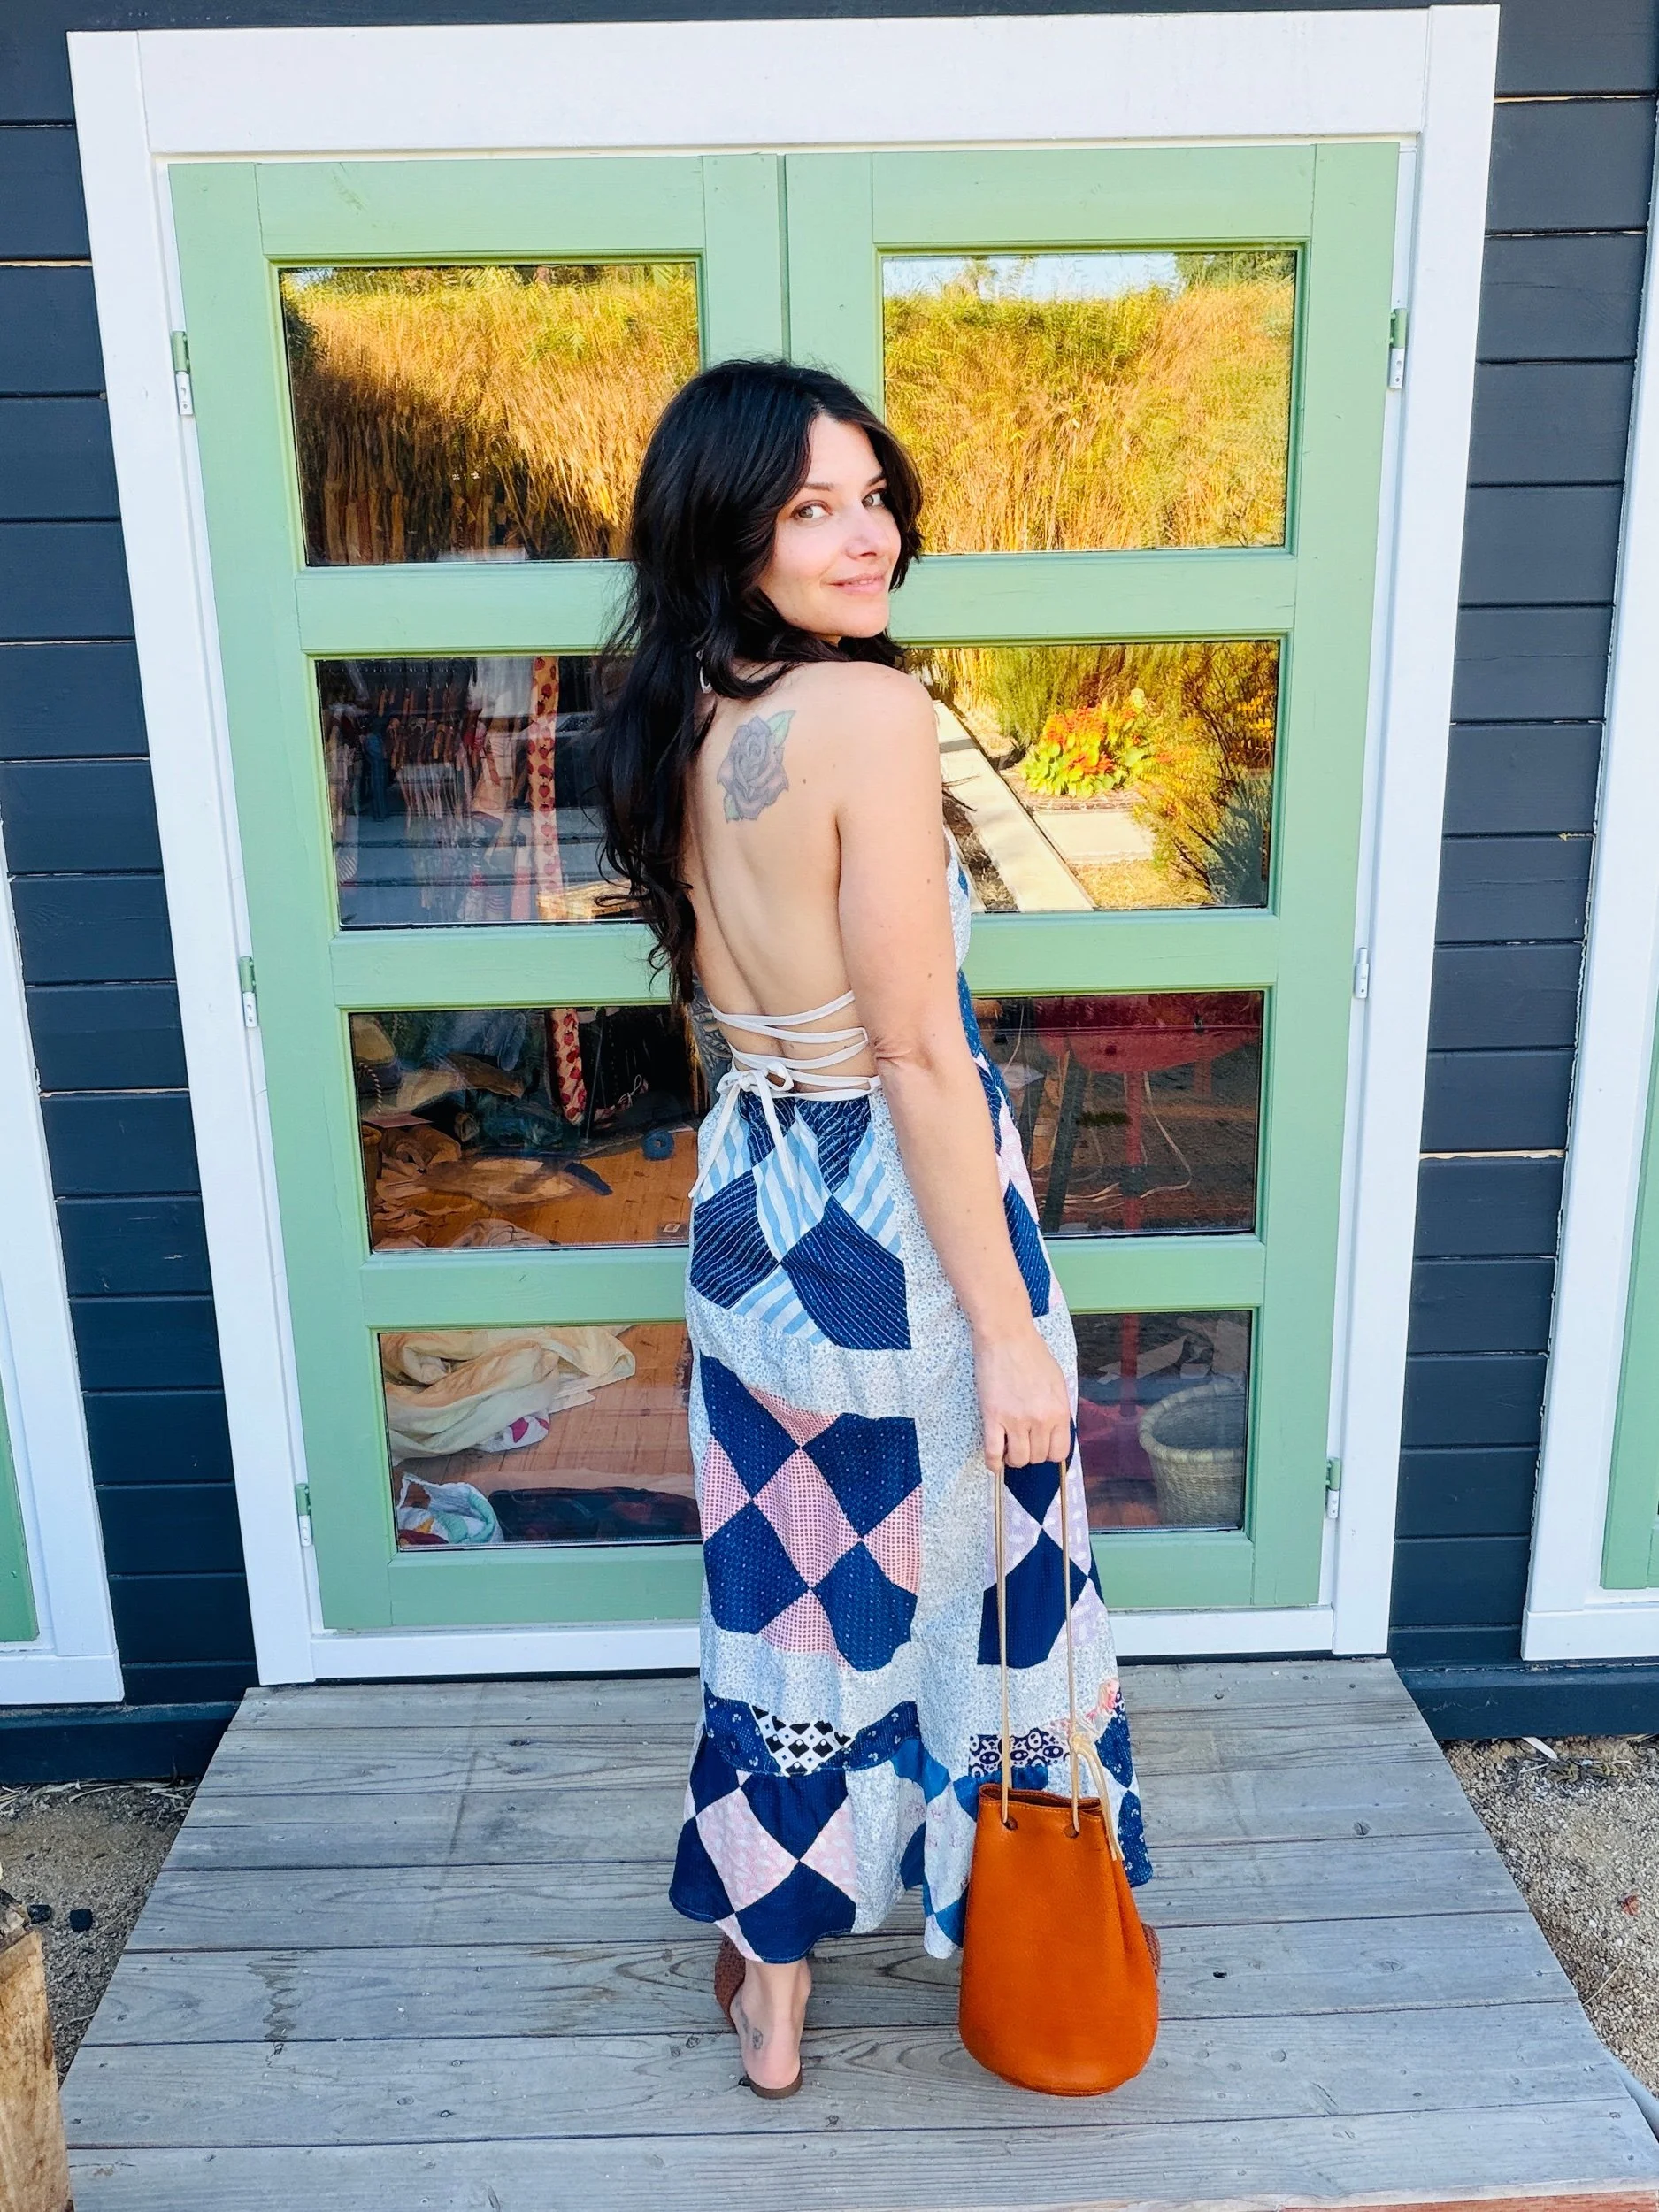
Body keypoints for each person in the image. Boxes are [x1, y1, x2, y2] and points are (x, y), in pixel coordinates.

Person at [593, 359, 1150, 2098]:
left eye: (873, 496)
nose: (865, 537)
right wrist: (1006, 1331)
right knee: (987, 1581)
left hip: (752, 1205)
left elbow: (741, 1004)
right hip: (891, 1222)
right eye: (809, 507)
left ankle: (771, 1995)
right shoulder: (870, 714)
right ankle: (1012, 1936)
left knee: (791, 1600)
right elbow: (913, 1051)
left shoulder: (684, 710)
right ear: (731, 533)